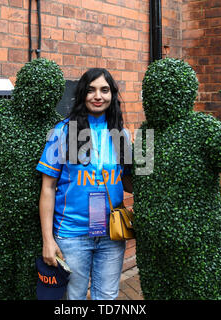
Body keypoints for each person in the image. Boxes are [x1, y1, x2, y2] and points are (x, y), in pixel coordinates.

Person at [36, 68, 133, 300]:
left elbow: (129, 183)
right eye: (91, 90)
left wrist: (143, 163)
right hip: (72, 234)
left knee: (107, 296)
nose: (98, 96)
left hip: (111, 234)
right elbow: (47, 188)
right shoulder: (63, 132)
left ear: (112, 95)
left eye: (104, 90)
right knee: (74, 297)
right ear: (82, 95)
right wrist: (48, 240)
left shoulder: (122, 135)